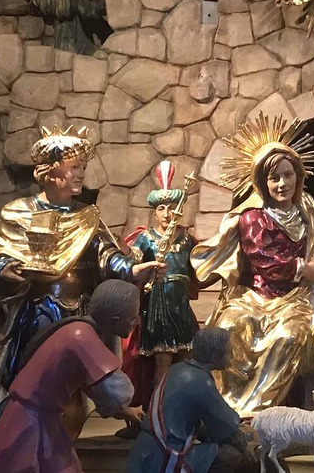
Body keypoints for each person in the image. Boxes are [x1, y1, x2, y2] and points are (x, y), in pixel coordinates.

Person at [0, 125, 166, 410]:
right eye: (74, 167)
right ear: (49, 171)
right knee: (35, 378)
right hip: (38, 310)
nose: (81, 174)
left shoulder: (87, 216)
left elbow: (106, 255)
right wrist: (4, 270)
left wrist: (132, 270)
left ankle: (69, 427)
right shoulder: (19, 211)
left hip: (80, 311)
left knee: (76, 387)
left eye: (83, 167)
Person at [190, 117, 314, 417]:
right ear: (262, 182)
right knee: (228, 329)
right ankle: (227, 407)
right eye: (274, 178)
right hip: (254, 296)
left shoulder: (307, 208)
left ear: (298, 176)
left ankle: (260, 412)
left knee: (287, 337)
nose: (282, 184)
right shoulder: (253, 216)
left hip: (294, 298)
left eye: (288, 175)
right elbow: (265, 260)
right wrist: (306, 268)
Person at [0, 280, 145, 473]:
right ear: (114, 321)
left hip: (40, 418)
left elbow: (91, 386)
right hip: (30, 424)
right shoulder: (82, 337)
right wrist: (124, 405)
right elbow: (118, 393)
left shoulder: (76, 328)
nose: (137, 322)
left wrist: (125, 412)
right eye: (133, 318)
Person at [117, 160, 200, 439]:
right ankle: (157, 420)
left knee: (187, 363)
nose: (167, 213)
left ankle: (186, 417)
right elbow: (133, 268)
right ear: (154, 213)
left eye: (171, 207)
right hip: (158, 306)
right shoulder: (146, 239)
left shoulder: (187, 240)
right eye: (161, 208)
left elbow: (198, 271)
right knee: (161, 366)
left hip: (180, 307)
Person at [126, 328, 247, 473]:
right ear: (214, 357)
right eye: (228, 353)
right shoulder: (201, 382)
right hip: (164, 455)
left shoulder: (177, 369)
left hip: (145, 450)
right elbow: (227, 428)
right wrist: (245, 445)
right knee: (230, 456)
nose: (232, 356)